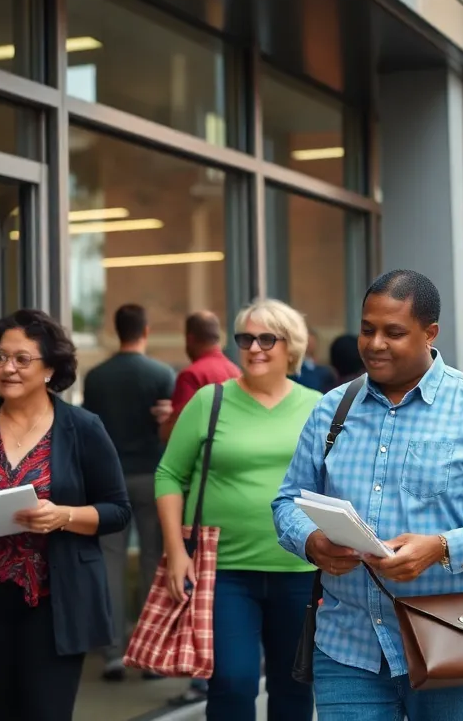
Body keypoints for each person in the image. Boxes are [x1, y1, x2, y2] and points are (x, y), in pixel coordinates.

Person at [273, 270, 463, 721]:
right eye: (368, 329)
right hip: (348, 646)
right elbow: (287, 502)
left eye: (394, 332)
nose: (375, 343)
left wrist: (442, 548)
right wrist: (312, 541)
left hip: (451, 641)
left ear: (430, 334)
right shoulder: (332, 409)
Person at [0, 309, 131, 721]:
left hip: (55, 603)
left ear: (50, 369)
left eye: (22, 359)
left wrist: (64, 515)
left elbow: (117, 510)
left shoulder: (82, 427)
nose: (8, 368)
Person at [155, 299, 323, 721]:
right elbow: (169, 475)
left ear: (292, 346)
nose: (255, 347)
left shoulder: (318, 405)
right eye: (246, 338)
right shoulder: (210, 401)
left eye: (267, 338)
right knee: (232, 682)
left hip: (300, 571)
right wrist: (176, 551)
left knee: (295, 687)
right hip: (224, 570)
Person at [81, 304, 176, 681]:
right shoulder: (161, 374)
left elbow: (90, 428)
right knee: (154, 559)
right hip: (152, 475)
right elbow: (168, 426)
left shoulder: (97, 377)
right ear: (146, 330)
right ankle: (151, 652)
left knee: (111, 562)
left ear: (115, 330)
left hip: (109, 479)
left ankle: (113, 653)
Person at [159, 310, 241, 707]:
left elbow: (175, 439)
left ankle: (199, 678)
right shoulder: (232, 369)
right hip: (231, 504)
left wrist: (164, 420)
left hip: (200, 497)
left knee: (197, 603)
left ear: (191, 337)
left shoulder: (192, 376)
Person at [160, 311, 241, 443]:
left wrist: (164, 424)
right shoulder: (235, 371)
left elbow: (177, 432)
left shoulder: (191, 375)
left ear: (190, 339)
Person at [294, 328, 336, 392]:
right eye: (308, 343)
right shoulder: (297, 370)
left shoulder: (324, 370)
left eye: (312, 343)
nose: (310, 346)